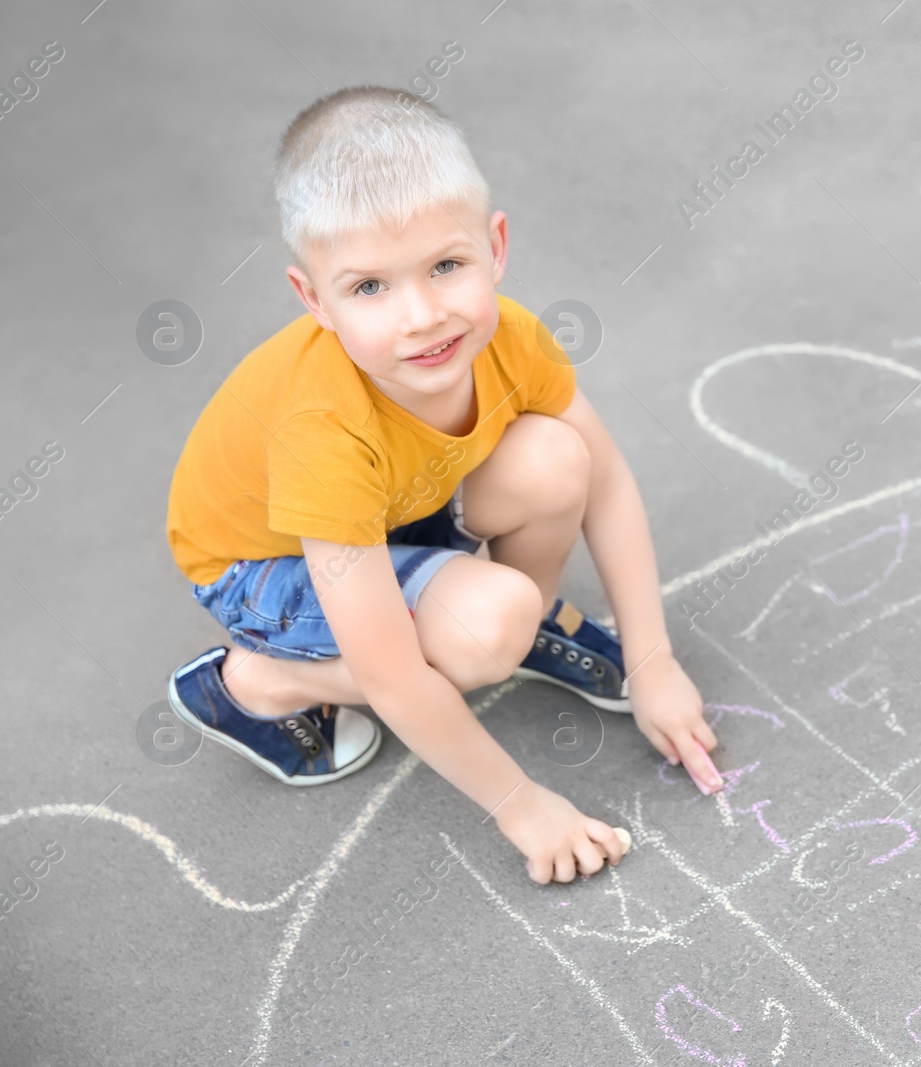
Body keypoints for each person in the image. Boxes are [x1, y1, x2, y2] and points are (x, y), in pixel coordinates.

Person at [162, 85, 722, 886]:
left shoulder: (512, 338)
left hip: (398, 511)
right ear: (311, 299)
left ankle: (515, 628)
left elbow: (605, 485)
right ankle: (257, 680)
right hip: (261, 569)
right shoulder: (322, 429)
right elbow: (391, 675)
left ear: (495, 247)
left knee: (558, 456)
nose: (422, 315)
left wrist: (655, 659)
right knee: (484, 630)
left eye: (446, 266)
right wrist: (523, 804)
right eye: (369, 288)